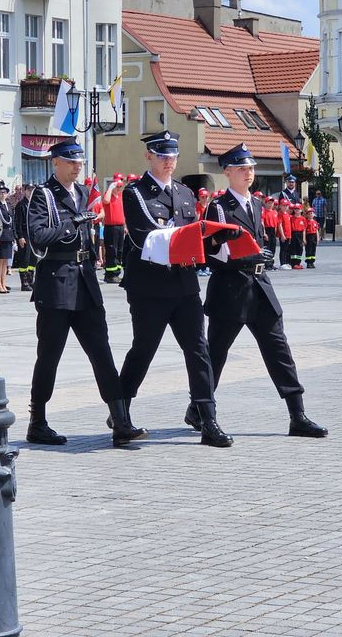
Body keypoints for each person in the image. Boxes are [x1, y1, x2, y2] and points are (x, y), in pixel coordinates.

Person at [198, 143, 327, 438]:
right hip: (230, 288)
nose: (249, 173)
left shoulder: (256, 204)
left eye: (251, 168)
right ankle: (200, 409)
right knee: (216, 353)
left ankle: (298, 415)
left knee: (279, 350)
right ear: (227, 172)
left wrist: (260, 257)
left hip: (260, 287)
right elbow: (209, 251)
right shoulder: (218, 207)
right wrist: (245, 257)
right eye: (242, 168)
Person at [25, 138, 145, 448]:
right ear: (55, 162)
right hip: (55, 282)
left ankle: (120, 421)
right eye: (70, 160)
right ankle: (37, 421)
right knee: (49, 356)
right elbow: (37, 236)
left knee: (102, 353)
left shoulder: (81, 193)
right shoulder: (44, 195)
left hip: (85, 281)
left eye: (79, 161)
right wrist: (71, 224)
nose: (77, 165)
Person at [117, 130, 232, 447]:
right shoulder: (136, 193)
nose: (169, 161)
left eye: (173, 156)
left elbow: (193, 239)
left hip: (183, 284)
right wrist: (190, 236)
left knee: (199, 350)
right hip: (150, 286)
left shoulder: (184, 193)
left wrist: (215, 239)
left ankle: (207, 418)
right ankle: (120, 408)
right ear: (149, 156)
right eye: (162, 155)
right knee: (144, 350)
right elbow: (144, 238)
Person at [100, 173, 126, 283]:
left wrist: (125, 226)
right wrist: (110, 187)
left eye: (120, 186)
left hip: (120, 227)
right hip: (111, 227)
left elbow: (123, 212)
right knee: (112, 250)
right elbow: (105, 201)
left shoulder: (120, 196)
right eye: (117, 185)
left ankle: (116, 273)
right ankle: (110, 275)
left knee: (120, 250)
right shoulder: (108, 195)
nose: (119, 188)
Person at [12, 183, 36, 292]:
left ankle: (31, 280)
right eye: (29, 190)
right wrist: (20, 237)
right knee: (24, 259)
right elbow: (18, 223)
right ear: (24, 191)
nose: (30, 192)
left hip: (33, 234)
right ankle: (24, 282)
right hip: (24, 234)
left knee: (33, 259)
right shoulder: (21, 205)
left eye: (32, 190)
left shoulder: (34, 204)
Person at [262, 195, 278, 270]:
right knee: (267, 248)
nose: (270, 205)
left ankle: (271, 263)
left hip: (273, 231)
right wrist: (264, 233)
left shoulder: (275, 212)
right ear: (265, 204)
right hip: (267, 229)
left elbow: (276, 224)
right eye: (268, 203)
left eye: (271, 203)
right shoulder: (264, 212)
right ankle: (267, 264)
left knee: (273, 248)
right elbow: (262, 223)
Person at [277, 199, 292, 269]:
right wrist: (282, 235)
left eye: (286, 205)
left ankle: (285, 262)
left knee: (286, 249)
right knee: (283, 249)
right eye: (283, 205)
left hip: (288, 235)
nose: (285, 207)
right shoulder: (280, 214)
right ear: (280, 206)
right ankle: (282, 263)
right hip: (283, 235)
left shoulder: (288, 214)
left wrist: (290, 235)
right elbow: (279, 225)